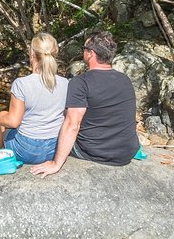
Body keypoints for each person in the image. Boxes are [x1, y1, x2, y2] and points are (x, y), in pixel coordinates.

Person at [31, 31, 140, 177]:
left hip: (96, 153)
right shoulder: (124, 79)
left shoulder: (81, 83)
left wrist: (56, 164)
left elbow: (72, 125)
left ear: (90, 53)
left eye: (84, 48)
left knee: (60, 120)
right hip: (126, 152)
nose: (83, 51)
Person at [0, 33, 68, 164]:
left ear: (32, 54)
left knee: (0, 119)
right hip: (53, 149)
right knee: (4, 115)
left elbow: (13, 122)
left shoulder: (21, 83)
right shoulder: (65, 82)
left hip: (27, 150)